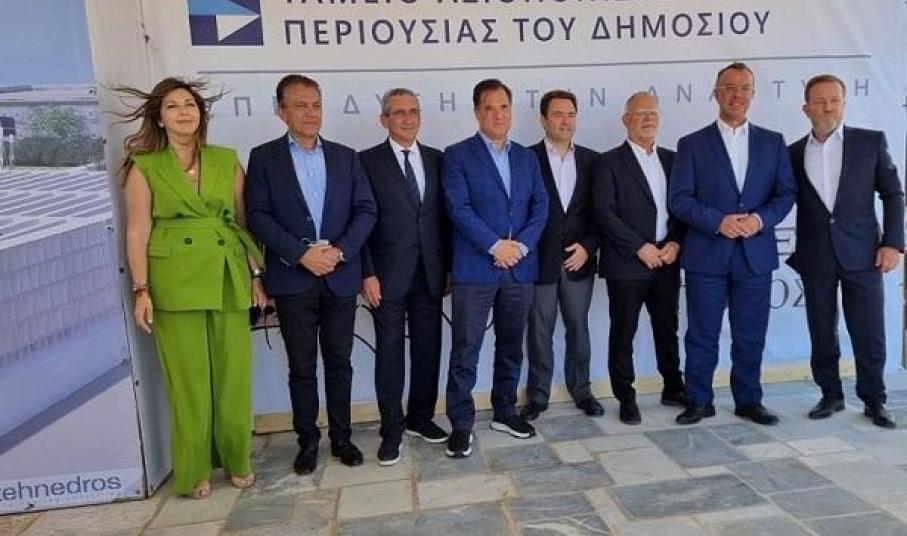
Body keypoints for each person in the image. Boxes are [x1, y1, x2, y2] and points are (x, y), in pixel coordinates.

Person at [120, 78, 265, 499]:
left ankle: (237, 459)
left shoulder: (226, 159)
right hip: (174, 279)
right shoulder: (144, 166)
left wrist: (257, 276)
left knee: (234, 375)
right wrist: (141, 290)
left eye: (190, 104)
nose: (184, 112)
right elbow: (137, 230)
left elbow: (243, 222)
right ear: (159, 118)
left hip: (226, 274)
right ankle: (194, 468)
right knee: (188, 380)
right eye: (173, 106)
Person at [245, 74, 377, 474]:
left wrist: (339, 251)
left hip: (339, 275)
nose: (310, 113)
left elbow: (366, 210)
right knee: (301, 368)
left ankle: (342, 438)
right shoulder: (264, 158)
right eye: (300, 105)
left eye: (316, 105)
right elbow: (258, 216)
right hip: (293, 278)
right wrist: (301, 254)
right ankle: (307, 442)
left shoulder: (346, 157)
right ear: (281, 111)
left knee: (340, 362)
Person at [668, 62, 797, 426]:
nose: (737, 94)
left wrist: (759, 220)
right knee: (702, 334)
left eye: (744, 88)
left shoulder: (773, 142)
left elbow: (786, 194)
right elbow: (679, 199)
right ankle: (699, 400)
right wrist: (717, 221)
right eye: (729, 88)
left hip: (754, 256)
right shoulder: (691, 144)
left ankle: (749, 400)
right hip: (707, 255)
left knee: (750, 334)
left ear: (753, 94)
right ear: (716, 93)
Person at [786, 74, 904, 428]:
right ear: (805, 108)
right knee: (821, 328)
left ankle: (874, 399)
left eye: (834, 100)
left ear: (843, 103)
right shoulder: (792, 153)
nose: (827, 107)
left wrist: (893, 243)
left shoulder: (869, 142)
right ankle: (830, 394)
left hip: (864, 253)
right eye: (819, 101)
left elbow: (893, 194)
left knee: (868, 330)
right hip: (815, 255)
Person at [443, 78, 548, 458]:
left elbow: (540, 206)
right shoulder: (457, 155)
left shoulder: (526, 157)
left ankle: (505, 411)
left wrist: (519, 247)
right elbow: (458, 208)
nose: (498, 114)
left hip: (519, 268)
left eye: (504, 106)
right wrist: (494, 245)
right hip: (476, 269)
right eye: (489, 107)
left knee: (510, 347)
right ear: (477, 112)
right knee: (465, 350)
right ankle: (461, 424)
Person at [359, 88, 450, 465]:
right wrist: (366, 273)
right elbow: (359, 221)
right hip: (386, 276)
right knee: (390, 354)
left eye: (413, 111)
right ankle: (391, 431)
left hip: (430, 273)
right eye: (398, 112)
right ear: (384, 119)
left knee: (429, 349)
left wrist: (448, 269)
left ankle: (420, 418)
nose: (408, 118)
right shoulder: (365, 161)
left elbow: (445, 219)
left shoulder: (437, 159)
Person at [594, 91, 686, 425]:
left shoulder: (674, 160)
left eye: (653, 113)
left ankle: (673, 387)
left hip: (666, 260)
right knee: (624, 333)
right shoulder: (607, 162)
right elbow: (604, 212)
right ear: (625, 120)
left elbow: (683, 207)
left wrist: (675, 242)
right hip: (627, 263)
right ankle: (626, 397)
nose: (648, 119)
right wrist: (639, 247)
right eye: (641, 113)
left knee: (667, 329)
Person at [522, 89, 602, 421]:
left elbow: (602, 213)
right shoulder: (526, 158)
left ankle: (582, 390)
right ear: (543, 120)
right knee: (539, 331)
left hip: (579, 261)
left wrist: (589, 247)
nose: (565, 121)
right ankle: (538, 395)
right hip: (538, 262)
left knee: (578, 327)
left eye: (570, 114)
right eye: (558, 114)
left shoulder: (593, 161)